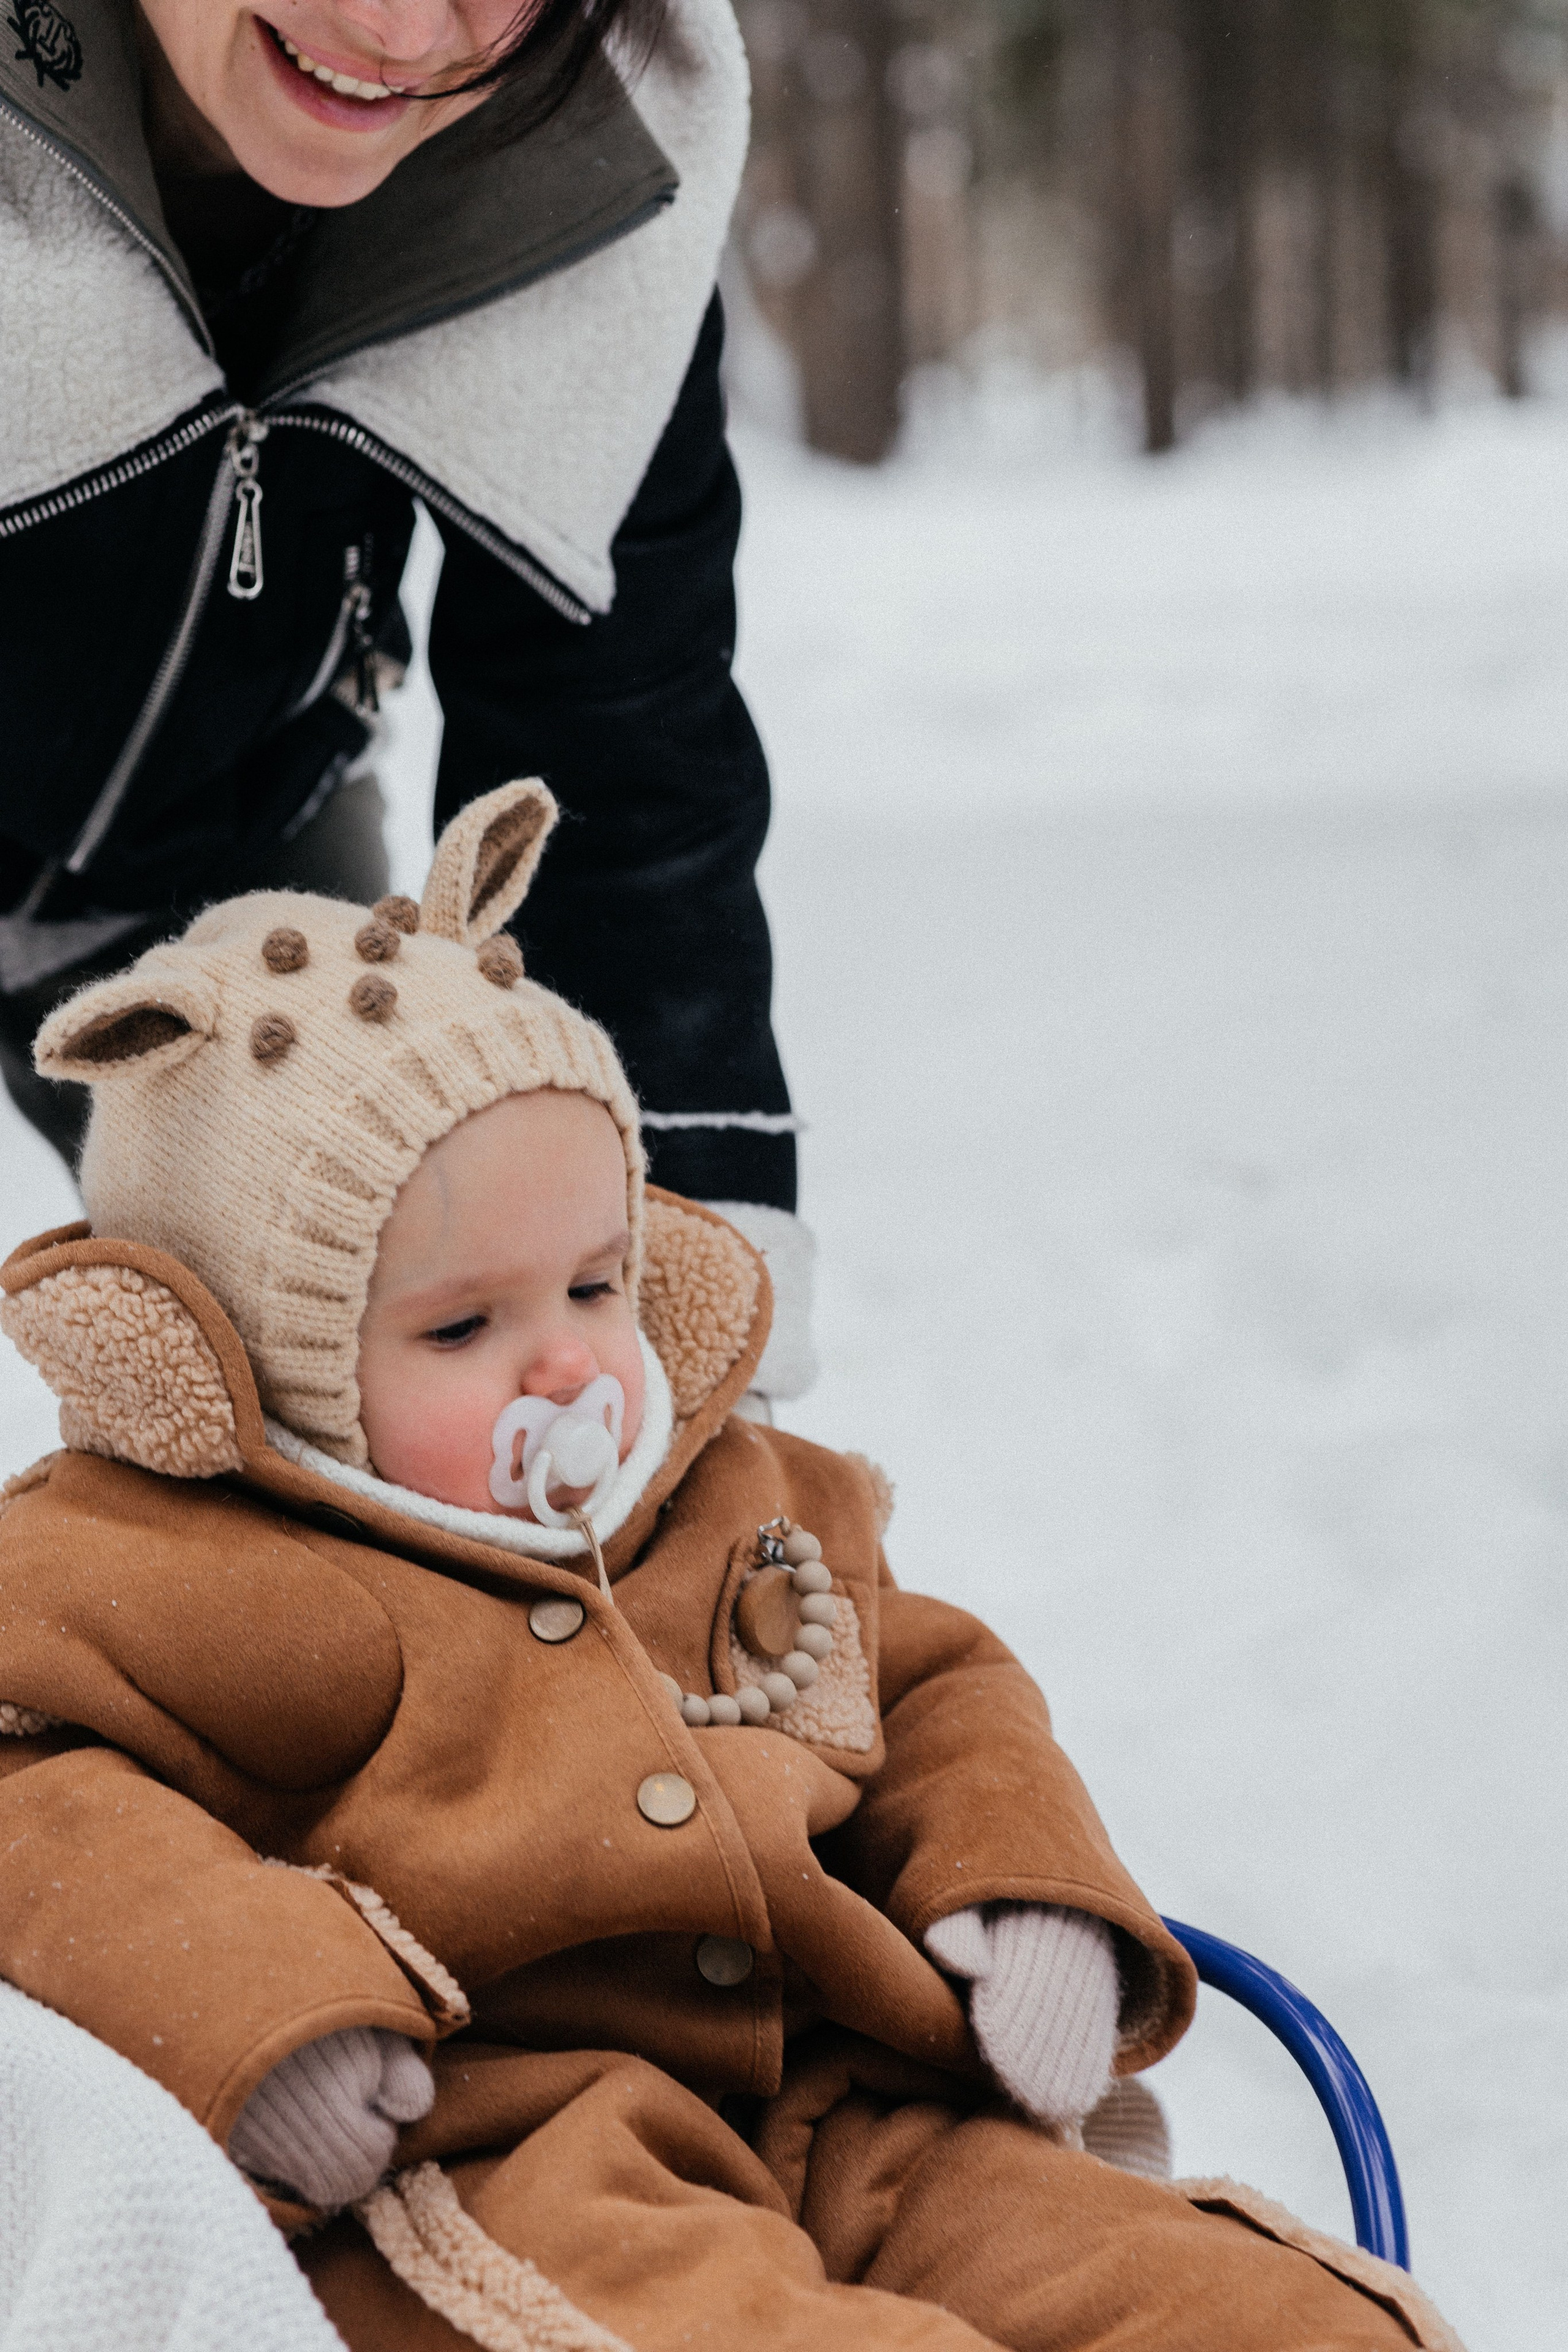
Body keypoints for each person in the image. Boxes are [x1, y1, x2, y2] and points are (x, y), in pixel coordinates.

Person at [0, 782, 1461, 2352]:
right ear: (269, 1361)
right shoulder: (161, 1565)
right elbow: (40, 1801)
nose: (566, 1363)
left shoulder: (725, 1492)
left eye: (594, 1280)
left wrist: (1021, 1892)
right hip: (513, 2149)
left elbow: (926, 1680)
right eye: (462, 1327)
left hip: (858, 2107)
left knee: (1225, 2315)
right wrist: (261, 2022)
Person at [0, 0, 812, 1407]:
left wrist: (667, 1327)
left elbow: (615, 748)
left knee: (400, 1349)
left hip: (217, 840)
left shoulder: (591, 153)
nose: (395, 27)